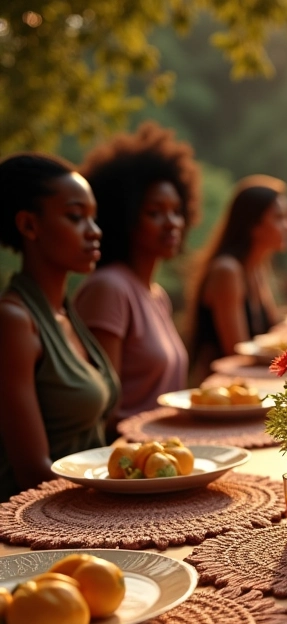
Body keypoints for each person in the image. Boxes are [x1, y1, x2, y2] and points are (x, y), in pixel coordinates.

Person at [0, 153, 119, 501]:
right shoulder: (14, 321)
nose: (94, 231)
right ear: (29, 226)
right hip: (41, 522)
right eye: (75, 217)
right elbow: (33, 472)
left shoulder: (64, 312)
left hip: (88, 501)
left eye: (93, 218)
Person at [73, 122, 201, 431]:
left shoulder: (156, 294)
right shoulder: (110, 288)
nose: (171, 223)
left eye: (176, 211)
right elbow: (104, 409)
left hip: (167, 449)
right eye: (155, 213)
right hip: (133, 461)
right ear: (124, 217)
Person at [183, 175, 287, 385]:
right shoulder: (228, 271)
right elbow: (237, 353)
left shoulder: (256, 266)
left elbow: (271, 332)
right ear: (253, 225)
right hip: (222, 393)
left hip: (249, 383)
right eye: (279, 218)